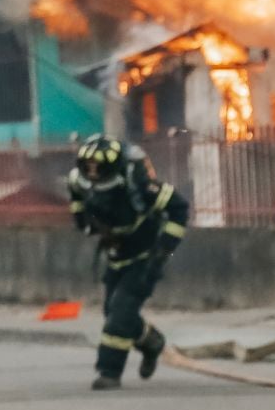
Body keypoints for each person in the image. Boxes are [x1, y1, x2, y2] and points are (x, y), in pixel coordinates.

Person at [68, 135, 190, 391]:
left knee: (120, 313)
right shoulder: (80, 181)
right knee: (114, 313)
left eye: (98, 167)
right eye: (88, 166)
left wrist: (163, 253)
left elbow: (179, 208)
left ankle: (109, 372)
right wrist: (82, 219)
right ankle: (152, 342)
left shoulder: (139, 185)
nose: (92, 172)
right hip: (117, 256)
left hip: (146, 257)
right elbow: (76, 198)